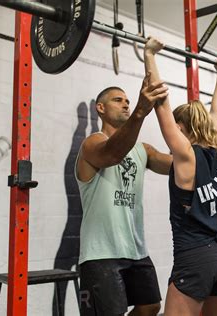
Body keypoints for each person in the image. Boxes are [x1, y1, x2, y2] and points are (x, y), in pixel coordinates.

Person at [144, 37, 217, 316]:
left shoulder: (186, 156)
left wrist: (149, 55)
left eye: (177, 127)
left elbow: (160, 103)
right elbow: (215, 112)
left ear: (182, 127)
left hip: (195, 258)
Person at [75, 75, 171, 316]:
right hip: (101, 253)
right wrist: (140, 110)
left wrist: (207, 137)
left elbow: (178, 165)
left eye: (128, 101)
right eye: (118, 100)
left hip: (136, 250)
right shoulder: (92, 143)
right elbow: (112, 154)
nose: (126, 104)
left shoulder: (143, 150)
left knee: (150, 308)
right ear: (101, 108)